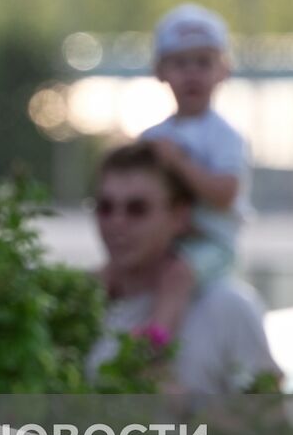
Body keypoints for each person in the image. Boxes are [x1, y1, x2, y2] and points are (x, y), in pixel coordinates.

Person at [87, 142, 279, 397]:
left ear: (179, 216)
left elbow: (275, 425)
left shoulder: (228, 308)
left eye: (137, 209)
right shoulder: (77, 306)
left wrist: (189, 409)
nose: (117, 222)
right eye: (105, 208)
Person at [134, 3, 251, 343]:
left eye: (203, 62)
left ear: (223, 70)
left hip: (212, 245)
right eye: (180, 63)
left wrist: (179, 164)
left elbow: (226, 193)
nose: (192, 73)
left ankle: (154, 342)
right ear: (160, 71)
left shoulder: (226, 137)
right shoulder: (152, 137)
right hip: (163, 243)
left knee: (177, 274)